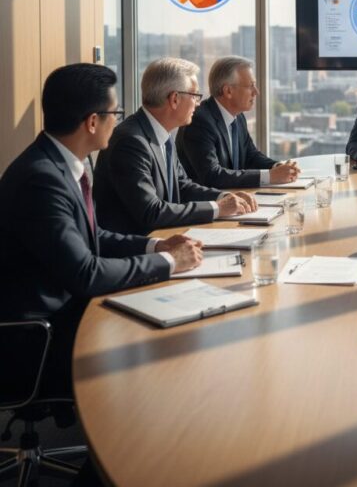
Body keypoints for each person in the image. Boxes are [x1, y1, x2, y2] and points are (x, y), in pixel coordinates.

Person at [0, 64, 203, 396]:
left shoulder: (62, 164)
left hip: (68, 312)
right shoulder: (41, 179)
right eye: (115, 112)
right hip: (39, 336)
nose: (119, 121)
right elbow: (86, 273)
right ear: (92, 121)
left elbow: (95, 238)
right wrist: (170, 262)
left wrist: (157, 247)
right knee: (168, 349)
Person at [94, 57, 255, 235]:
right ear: (175, 99)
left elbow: (182, 186)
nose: (198, 103)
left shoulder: (162, 132)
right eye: (194, 96)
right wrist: (217, 208)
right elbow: (152, 211)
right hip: (137, 251)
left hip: (168, 238)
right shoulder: (131, 142)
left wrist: (222, 197)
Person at [177, 56, 300, 188]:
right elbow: (212, 175)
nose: (256, 92)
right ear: (228, 91)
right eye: (251, 86)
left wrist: (278, 167)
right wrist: (270, 176)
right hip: (210, 203)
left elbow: (250, 156)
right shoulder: (199, 121)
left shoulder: (238, 117)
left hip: (236, 198)